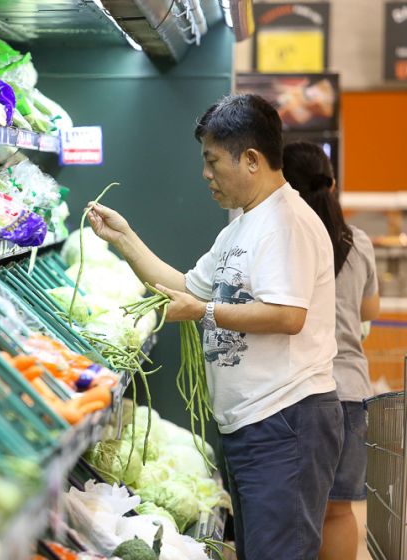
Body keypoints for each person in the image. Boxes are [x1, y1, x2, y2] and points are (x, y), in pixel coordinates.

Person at [86, 94, 343, 560]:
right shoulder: (239, 229)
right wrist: (124, 238)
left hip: (285, 422)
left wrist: (203, 313)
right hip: (251, 425)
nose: (205, 174)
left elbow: (288, 315)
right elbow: (187, 285)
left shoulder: (287, 223)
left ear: (251, 159)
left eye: (212, 160)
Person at [283, 141, 380, 560]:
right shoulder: (357, 242)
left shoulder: (285, 240)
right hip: (351, 390)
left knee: (294, 511)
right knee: (339, 512)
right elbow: (369, 308)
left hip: (298, 391)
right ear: (333, 184)